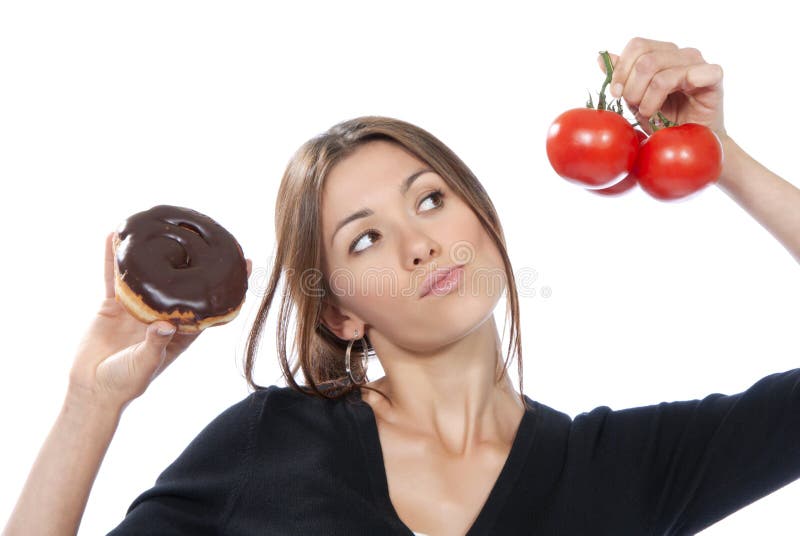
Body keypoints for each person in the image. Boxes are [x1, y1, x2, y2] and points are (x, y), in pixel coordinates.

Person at [4, 36, 800, 536]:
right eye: (367, 236)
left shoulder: (621, 471)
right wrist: (91, 404)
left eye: (429, 199)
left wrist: (717, 154)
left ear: (484, 223)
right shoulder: (272, 443)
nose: (419, 244)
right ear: (342, 313)